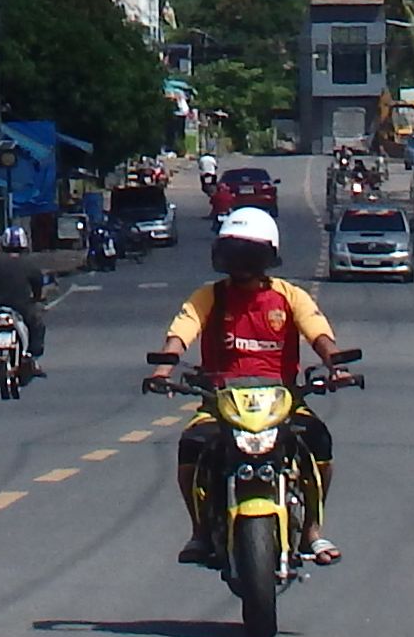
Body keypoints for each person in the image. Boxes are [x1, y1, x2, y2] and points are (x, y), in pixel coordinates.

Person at [146, 207, 350, 565]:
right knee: (191, 447)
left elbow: (319, 334)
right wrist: (164, 368)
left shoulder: (289, 296)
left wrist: (336, 364)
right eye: (234, 254)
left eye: (248, 255)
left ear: (267, 257)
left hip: (282, 399)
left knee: (318, 442)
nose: (240, 265)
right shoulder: (209, 296)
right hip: (219, 400)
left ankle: (312, 531)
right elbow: (181, 332)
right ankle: (199, 530)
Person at [0, 237, 52, 373]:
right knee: (37, 325)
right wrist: (37, 299)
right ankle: (32, 357)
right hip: (21, 306)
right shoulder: (30, 265)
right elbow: (38, 287)